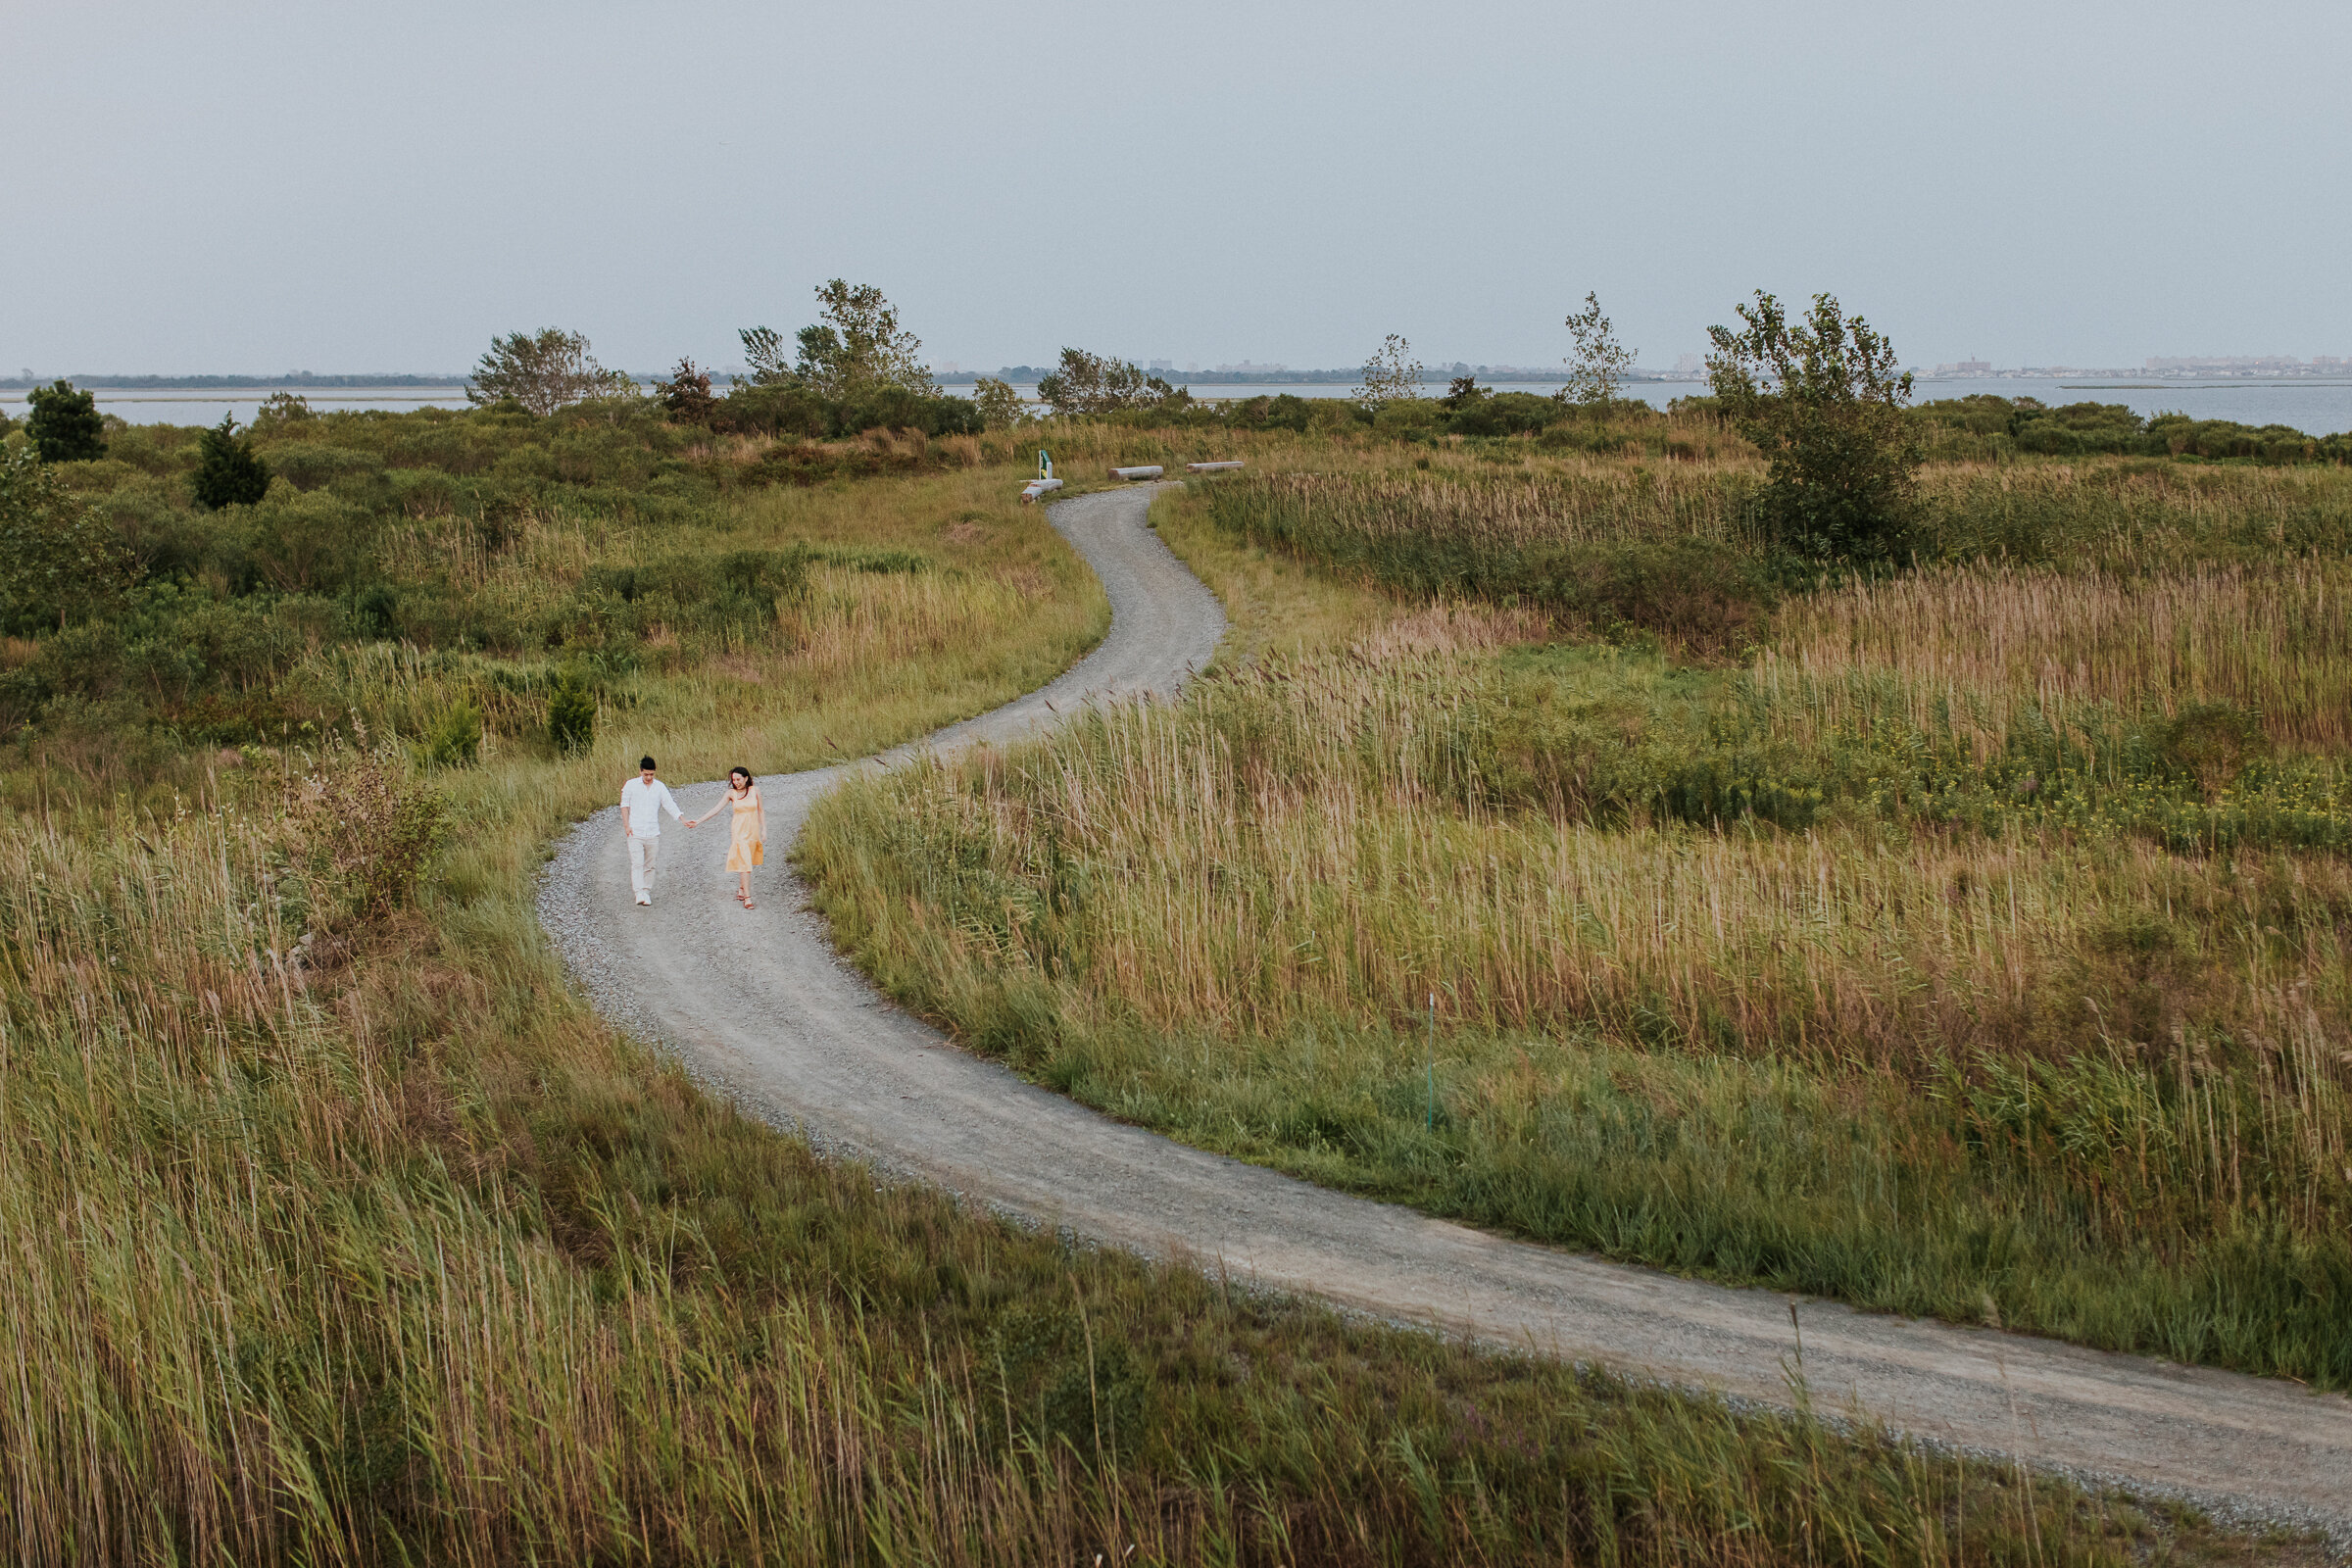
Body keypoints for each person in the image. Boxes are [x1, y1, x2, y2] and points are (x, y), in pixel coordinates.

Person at [687, 766, 765, 909]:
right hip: (739, 833)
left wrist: (764, 830)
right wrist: (698, 821)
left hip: (753, 831)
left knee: (748, 860)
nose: (736, 782)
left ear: (746, 778)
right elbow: (716, 809)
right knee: (745, 863)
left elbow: (760, 810)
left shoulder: (755, 791)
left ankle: (742, 888)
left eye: (738, 779)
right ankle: (747, 898)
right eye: (733, 780)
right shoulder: (731, 793)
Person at [618, 756, 683, 906]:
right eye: (646, 774)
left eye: (651, 774)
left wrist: (681, 818)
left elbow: (669, 804)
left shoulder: (659, 787)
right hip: (635, 831)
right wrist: (627, 825)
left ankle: (646, 891)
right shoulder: (631, 785)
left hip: (653, 832)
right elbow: (624, 805)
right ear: (640, 772)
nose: (648, 777)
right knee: (637, 863)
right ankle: (639, 892)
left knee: (650, 864)